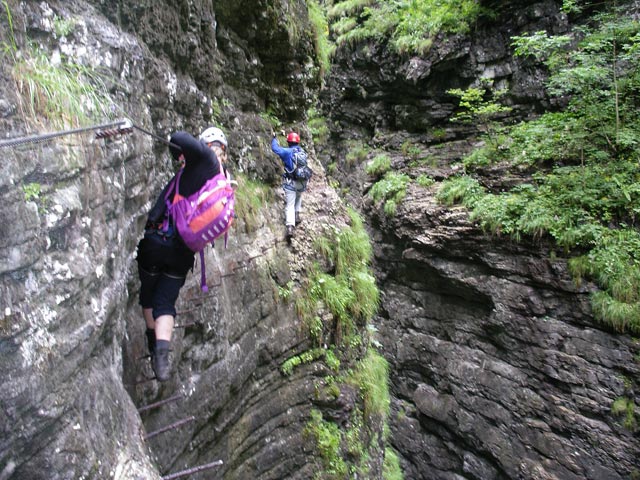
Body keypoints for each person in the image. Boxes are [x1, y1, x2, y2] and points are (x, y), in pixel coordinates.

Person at [136, 126, 229, 381]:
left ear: (208, 146)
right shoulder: (222, 177)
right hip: (183, 253)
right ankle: (162, 359)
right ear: (226, 152)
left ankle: (153, 341)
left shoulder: (205, 160)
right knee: (165, 302)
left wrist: (179, 152)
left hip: (158, 241)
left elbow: (179, 138)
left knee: (148, 296)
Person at [270, 130, 308, 240]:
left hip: (291, 182)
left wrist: (274, 138)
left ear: (288, 142)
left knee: (290, 204)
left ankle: (290, 227)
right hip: (303, 181)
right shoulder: (302, 152)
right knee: (299, 197)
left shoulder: (287, 152)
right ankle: (297, 215)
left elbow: (275, 149)